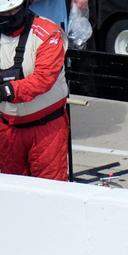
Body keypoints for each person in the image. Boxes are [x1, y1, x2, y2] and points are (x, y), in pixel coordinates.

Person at [0, 0, 69, 181]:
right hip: (7, 129)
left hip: (46, 129)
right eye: (3, 13)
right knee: (11, 191)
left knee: (50, 190)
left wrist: (7, 91)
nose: (8, 17)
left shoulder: (49, 32)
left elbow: (43, 79)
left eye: (13, 11)